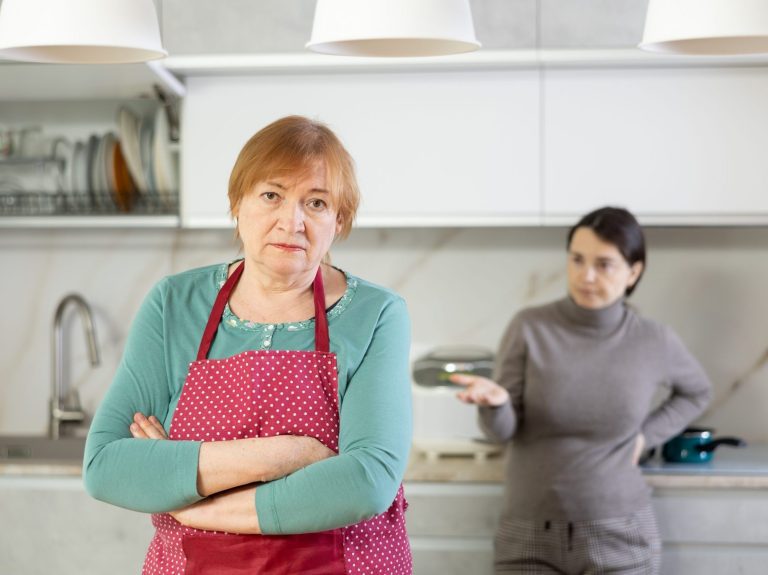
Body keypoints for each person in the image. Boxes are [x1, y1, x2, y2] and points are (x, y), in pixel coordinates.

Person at [83, 115, 413, 575]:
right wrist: (289, 453)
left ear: (338, 220)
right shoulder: (174, 304)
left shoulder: (377, 313)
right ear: (238, 203)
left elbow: (367, 481)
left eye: (315, 202)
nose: (291, 221)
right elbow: (106, 465)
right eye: (271, 195)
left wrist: (193, 502)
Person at [451, 207, 712, 575]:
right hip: (527, 533)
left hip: (618, 534)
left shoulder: (653, 339)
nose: (586, 276)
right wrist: (496, 404)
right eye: (577, 260)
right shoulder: (530, 327)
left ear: (633, 272)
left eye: (604, 264)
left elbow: (697, 392)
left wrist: (645, 437)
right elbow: (501, 433)